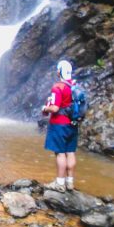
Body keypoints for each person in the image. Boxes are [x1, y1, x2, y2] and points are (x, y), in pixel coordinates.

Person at [41, 60, 78, 192]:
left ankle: (60, 183)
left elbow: (55, 108)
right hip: (73, 124)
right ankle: (70, 182)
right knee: (70, 152)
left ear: (59, 71)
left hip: (59, 125)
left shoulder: (58, 87)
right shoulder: (74, 86)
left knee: (60, 153)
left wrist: (45, 107)